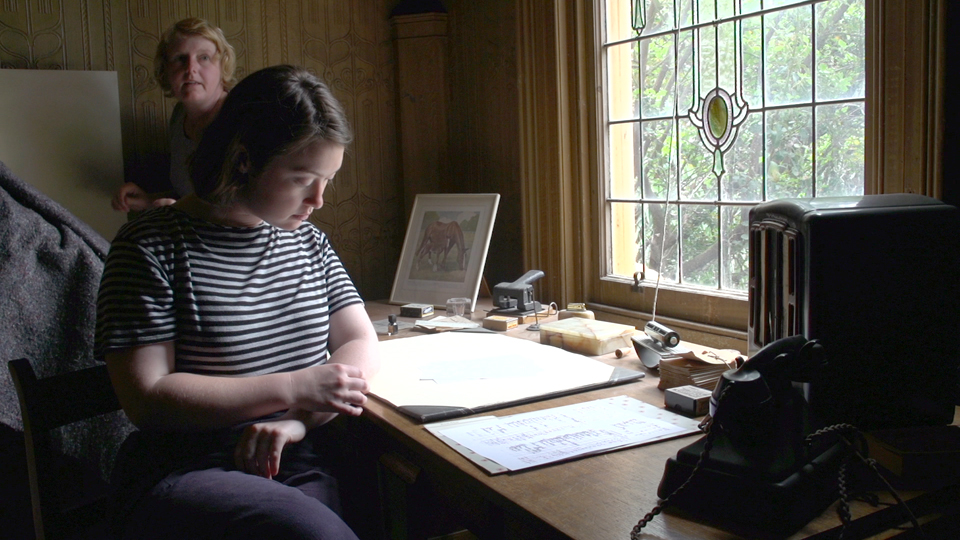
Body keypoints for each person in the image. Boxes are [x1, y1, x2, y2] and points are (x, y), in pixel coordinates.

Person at [96, 65, 380, 539]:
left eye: (327, 179)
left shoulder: (309, 244)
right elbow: (147, 399)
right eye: (302, 178)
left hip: (293, 456)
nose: (318, 199)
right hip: (188, 467)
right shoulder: (150, 245)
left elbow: (360, 341)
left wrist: (295, 423)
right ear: (243, 159)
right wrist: (292, 386)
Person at [111, 17, 236, 212]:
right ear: (166, 70)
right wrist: (148, 200)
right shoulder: (179, 116)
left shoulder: (239, 118)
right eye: (180, 58)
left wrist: (181, 211)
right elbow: (191, 195)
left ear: (222, 66)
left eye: (203, 57)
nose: (190, 69)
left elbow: (247, 210)